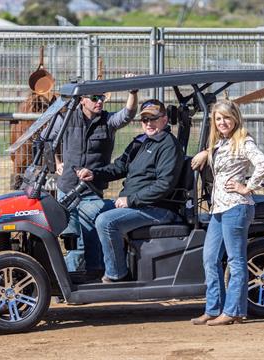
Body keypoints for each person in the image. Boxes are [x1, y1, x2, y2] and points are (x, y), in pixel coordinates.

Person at [76, 99, 184, 283]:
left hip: (158, 208)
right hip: (138, 205)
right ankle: (96, 267)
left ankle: (117, 275)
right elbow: (119, 166)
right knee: (87, 209)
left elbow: (164, 185)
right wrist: (94, 174)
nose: (149, 123)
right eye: (145, 120)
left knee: (106, 222)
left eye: (153, 119)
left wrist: (130, 200)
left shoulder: (168, 145)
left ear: (164, 119)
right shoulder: (141, 142)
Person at [44, 81, 138, 276]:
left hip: (92, 191)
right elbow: (47, 139)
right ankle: (71, 281)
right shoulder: (66, 119)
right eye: (95, 98)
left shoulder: (108, 121)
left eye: (102, 97)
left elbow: (127, 115)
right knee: (72, 239)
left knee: (92, 236)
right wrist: (56, 162)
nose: (99, 102)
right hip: (67, 188)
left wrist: (133, 93)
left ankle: (95, 278)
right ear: (82, 100)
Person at [190, 100, 264, 326]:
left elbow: (263, 165)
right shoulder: (220, 143)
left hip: (237, 206)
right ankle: (213, 308)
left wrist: (248, 187)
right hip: (218, 208)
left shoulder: (244, 140)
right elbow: (219, 154)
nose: (222, 122)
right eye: (218, 119)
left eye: (226, 117)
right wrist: (207, 152)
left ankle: (233, 311)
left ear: (235, 118)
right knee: (210, 258)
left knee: (236, 260)